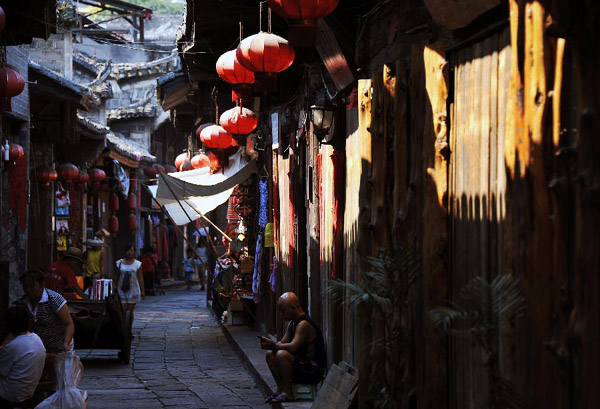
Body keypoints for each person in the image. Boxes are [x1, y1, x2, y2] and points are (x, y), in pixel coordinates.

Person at [260, 292, 326, 403]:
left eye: (283, 311)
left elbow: (293, 347)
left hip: (312, 370)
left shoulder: (303, 324)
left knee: (282, 355)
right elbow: (282, 342)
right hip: (300, 366)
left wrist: (274, 345)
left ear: (294, 308)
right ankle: (280, 389)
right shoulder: (292, 323)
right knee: (270, 354)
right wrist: (270, 345)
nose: (281, 315)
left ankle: (288, 392)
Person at [0, 306, 46, 405]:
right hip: (28, 390)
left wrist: (4, 346)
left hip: (11, 394)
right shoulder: (36, 338)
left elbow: (2, 369)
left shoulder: (14, 346)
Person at [114, 244, 144, 334]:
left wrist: (143, 290)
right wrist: (114, 287)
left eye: (131, 250)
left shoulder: (137, 264)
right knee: (123, 311)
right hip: (121, 290)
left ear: (134, 252)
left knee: (129, 311)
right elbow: (116, 276)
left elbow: (140, 278)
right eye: (128, 250)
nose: (129, 252)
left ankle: (129, 330)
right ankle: (124, 329)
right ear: (125, 251)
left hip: (133, 290)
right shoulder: (119, 263)